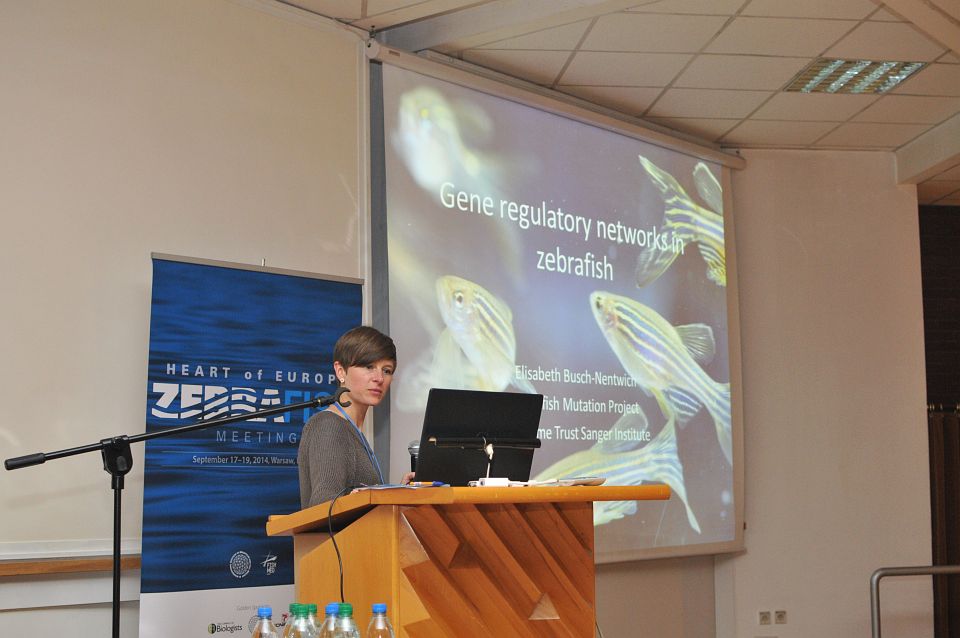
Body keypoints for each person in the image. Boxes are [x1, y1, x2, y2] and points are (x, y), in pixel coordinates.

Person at [297, 325, 406, 508]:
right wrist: (361, 499)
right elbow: (324, 504)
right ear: (341, 371)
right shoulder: (329, 425)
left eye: (386, 370)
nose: (379, 378)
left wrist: (399, 492)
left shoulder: (352, 430)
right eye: (369, 366)